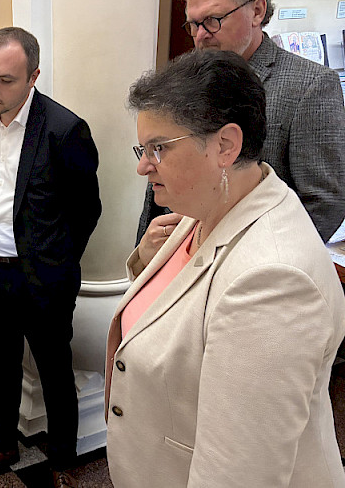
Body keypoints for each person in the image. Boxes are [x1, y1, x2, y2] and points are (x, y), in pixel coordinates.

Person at [106, 49, 345, 487]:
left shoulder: (273, 281)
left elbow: (236, 476)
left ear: (225, 145)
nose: (143, 165)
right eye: (144, 147)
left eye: (158, 148)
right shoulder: (203, 209)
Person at [0, 27, 101, 488]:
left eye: (4, 80)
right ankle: (2, 445)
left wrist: (56, 265)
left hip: (44, 280)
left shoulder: (65, 130)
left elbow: (87, 210)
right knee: (0, 366)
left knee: (54, 373)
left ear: (33, 76)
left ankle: (63, 462)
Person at [137, 0, 345, 246]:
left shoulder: (309, 85)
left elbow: (324, 202)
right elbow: (160, 173)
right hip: (177, 250)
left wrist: (253, 256)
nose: (200, 36)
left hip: (252, 261)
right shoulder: (185, 73)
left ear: (257, 11)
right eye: (193, 24)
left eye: (212, 20)